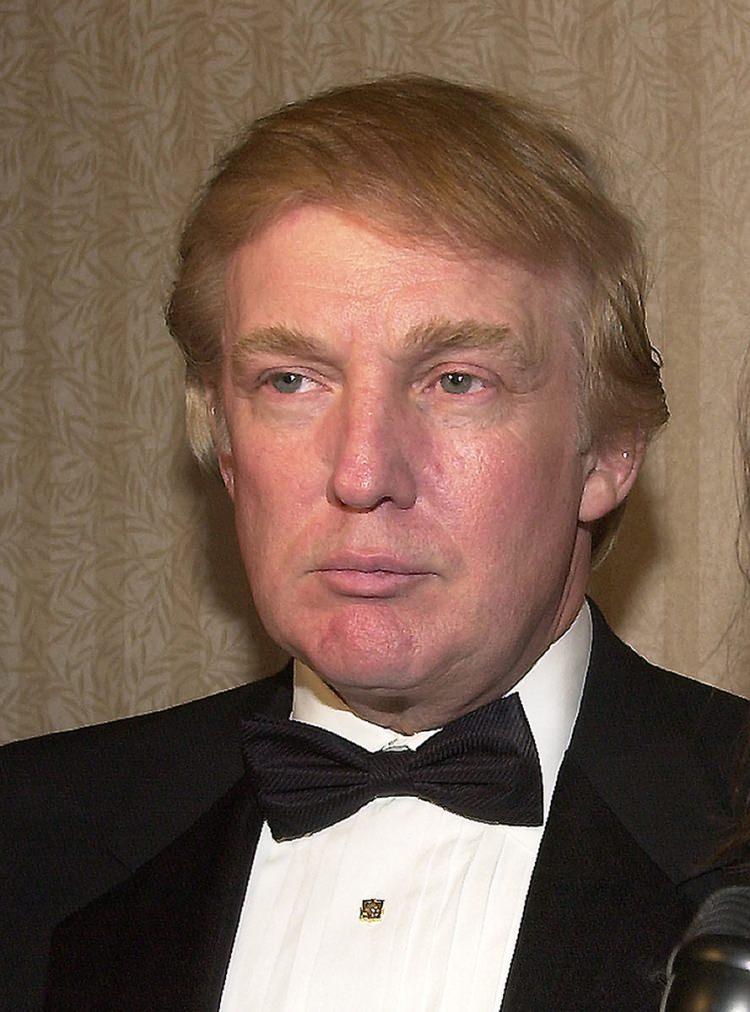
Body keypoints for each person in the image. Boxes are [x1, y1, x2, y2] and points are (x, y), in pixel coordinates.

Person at [2, 75, 747, 1012]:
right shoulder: (29, 841)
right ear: (225, 447)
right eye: (290, 381)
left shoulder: (734, 837)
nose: (361, 473)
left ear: (608, 451)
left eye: (456, 380)